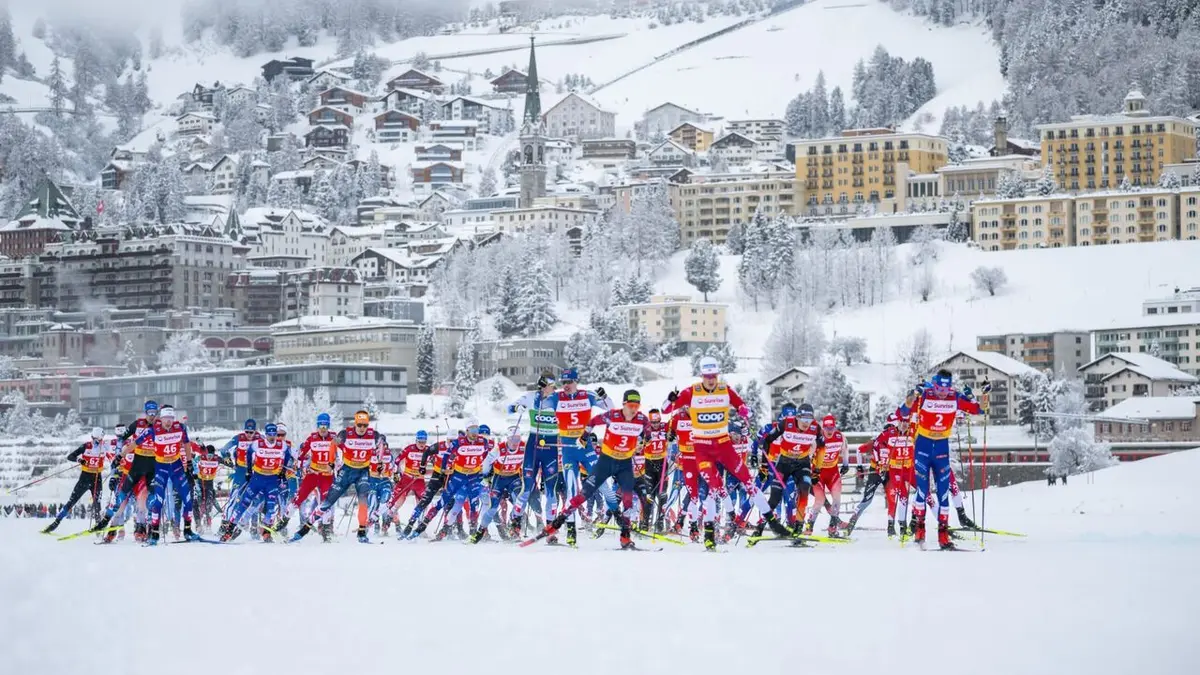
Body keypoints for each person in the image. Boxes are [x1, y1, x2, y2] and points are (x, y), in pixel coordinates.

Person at [539, 390, 650, 550]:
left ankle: (625, 537)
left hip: (624, 463)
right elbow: (592, 422)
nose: (633, 410)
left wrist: (645, 439)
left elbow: (648, 432)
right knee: (584, 494)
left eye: (637, 406)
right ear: (624, 404)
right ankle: (555, 525)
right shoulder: (612, 416)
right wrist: (584, 437)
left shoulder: (641, 418)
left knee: (627, 499)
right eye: (631, 405)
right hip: (606, 462)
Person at [898, 370, 986, 549]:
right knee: (922, 492)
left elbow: (979, 409)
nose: (943, 393)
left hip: (941, 449)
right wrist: (913, 395)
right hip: (922, 448)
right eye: (939, 388)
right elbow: (902, 412)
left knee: (943, 493)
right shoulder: (925, 395)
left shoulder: (954, 397)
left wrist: (984, 394)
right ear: (934, 385)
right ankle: (919, 531)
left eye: (946, 389)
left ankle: (943, 536)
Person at [291, 410, 381, 543]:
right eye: (360, 425)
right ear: (355, 424)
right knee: (328, 501)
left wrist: (377, 463)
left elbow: (379, 447)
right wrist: (331, 463)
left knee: (363, 501)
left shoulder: (374, 435)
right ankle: (304, 529)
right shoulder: (346, 434)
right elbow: (333, 444)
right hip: (347, 471)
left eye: (365, 425)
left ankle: (362, 532)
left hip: (362, 471)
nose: (362, 428)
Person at [219, 423, 294, 542]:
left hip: (272, 480)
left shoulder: (282, 445)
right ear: (266, 434)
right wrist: (249, 470)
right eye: (270, 435)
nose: (272, 438)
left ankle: (266, 532)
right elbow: (248, 453)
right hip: (257, 478)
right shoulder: (258, 443)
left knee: (271, 508)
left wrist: (283, 470)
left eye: (274, 435)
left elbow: (288, 455)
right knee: (244, 504)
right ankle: (229, 530)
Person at [754, 403, 817, 539]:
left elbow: (822, 447)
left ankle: (798, 527)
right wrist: (764, 467)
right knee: (774, 499)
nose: (806, 423)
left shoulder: (815, 427)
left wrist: (817, 469)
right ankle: (760, 527)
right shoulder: (786, 424)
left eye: (809, 419)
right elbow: (767, 441)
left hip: (802, 463)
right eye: (804, 419)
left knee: (804, 490)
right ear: (797, 417)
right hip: (784, 463)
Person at [137, 406, 199, 545]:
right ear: (161, 419)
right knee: (159, 502)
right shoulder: (153, 430)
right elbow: (136, 443)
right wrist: (121, 455)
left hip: (176, 467)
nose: (169, 422)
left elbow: (187, 444)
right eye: (166, 419)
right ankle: (154, 533)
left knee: (188, 499)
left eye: (171, 418)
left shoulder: (180, 428)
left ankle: (188, 530)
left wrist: (189, 462)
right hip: (161, 468)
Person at [41, 427, 108, 534]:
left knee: (97, 503)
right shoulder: (86, 446)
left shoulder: (105, 446)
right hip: (85, 478)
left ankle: (98, 526)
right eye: (95, 439)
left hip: (97, 478)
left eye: (99, 439)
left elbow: (115, 455)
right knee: (72, 501)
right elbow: (70, 456)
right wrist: (79, 459)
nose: (97, 441)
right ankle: (55, 523)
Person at [844, 414, 898, 536]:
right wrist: (859, 467)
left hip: (889, 473)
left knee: (892, 498)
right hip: (876, 472)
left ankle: (891, 527)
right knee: (867, 500)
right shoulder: (875, 441)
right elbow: (859, 450)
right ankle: (852, 521)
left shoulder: (896, 442)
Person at [470, 428, 525, 542]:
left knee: (519, 501)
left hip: (514, 477)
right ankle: (481, 530)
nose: (515, 443)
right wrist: (486, 475)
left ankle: (514, 525)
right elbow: (486, 461)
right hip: (499, 478)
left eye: (517, 439)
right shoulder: (499, 448)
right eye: (512, 439)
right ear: (508, 439)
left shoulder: (523, 446)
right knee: (492, 507)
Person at [291, 413, 339, 542]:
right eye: (320, 425)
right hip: (313, 474)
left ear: (328, 426)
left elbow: (345, 451)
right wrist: (299, 465)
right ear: (317, 426)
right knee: (301, 498)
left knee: (326, 503)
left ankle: (326, 529)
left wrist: (341, 466)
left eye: (325, 425)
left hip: (327, 476)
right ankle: (283, 523)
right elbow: (300, 454)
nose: (323, 428)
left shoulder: (334, 437)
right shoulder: (312, 438)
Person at [805, 415, 849, 536]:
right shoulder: (817, 438)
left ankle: (832, 527)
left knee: (837, 499)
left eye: (832, 428)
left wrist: (845, 464)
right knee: (819, 501)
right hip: (818, 473)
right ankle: (810, 526)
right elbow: (808, 455)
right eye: (827, 428)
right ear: (823, 427)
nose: (829, 431)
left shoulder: (840, 437)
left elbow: (845, 450)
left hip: (833, 473)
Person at [216, 419, 260, 524]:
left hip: (255, 471)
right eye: (247, 432)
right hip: (241, 470)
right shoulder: (239, 438)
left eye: (251, 432)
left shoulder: (260, 439)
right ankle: (225, 523)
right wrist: (226, 457)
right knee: (234, 497)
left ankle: (253, 526)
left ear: (255, 431)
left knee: (255, 497)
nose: (249, 435)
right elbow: (223, 450)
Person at [387, 430, 429, 526]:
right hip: (407, 478)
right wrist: (396, 476)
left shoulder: (428, 450)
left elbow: (436, 461)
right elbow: (397, 461)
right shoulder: (409, 448)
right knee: (399, 501)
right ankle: (388, 520)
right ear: (416, 440)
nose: (422, 444)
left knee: (423, 501)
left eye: (424, 442)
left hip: (419, 480)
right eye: (420, 442)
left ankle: (419, 524)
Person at [640, 409, 670, 532]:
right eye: (653, 422)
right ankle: (645, 522)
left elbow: (676, 427)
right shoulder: (645, 429)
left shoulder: (665, 427)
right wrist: (643, 442)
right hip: (649, 464)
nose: (656, 425)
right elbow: (637, 444)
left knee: (662, 495)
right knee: (649, 495)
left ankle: (660, 521)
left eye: (657, 422)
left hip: (662, 464)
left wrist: (672, 435)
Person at [367, 437, 396, 534]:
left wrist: (395, 474)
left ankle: (385, 523)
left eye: (384, 446)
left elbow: (394, 468)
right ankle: (374, 523)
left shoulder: (389, 456)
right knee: (373, 503)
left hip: (385, 481)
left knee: (384, 502)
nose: (382, 448)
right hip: (373, 482)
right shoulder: (371, 454)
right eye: (379, 445)